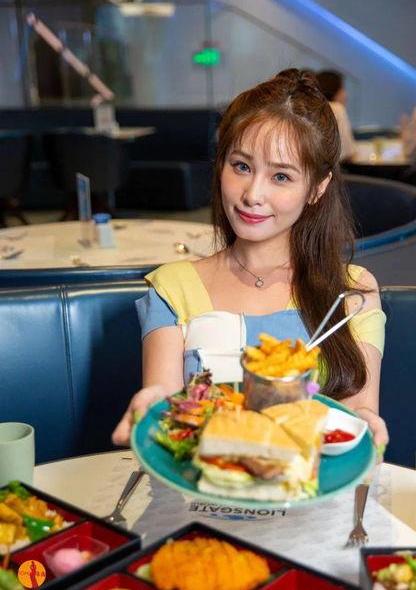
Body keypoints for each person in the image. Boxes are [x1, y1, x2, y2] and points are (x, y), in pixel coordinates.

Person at [112, 69, 388, 451]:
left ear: (317, 188)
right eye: (241, 166)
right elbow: (166, 408)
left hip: (313, 481)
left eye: (281, 177)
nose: (252, 194)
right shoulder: (173, 287)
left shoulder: (353, 291)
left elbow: (355, 415)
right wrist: (152, 411)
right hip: (206, 479)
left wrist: (366, 425)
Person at [315, 70, 357, 161]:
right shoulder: (337, 108)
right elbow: (349, 151)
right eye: (343, 88)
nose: (345, 94)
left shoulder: (312, 107)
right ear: (335, 90)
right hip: (337, 166)